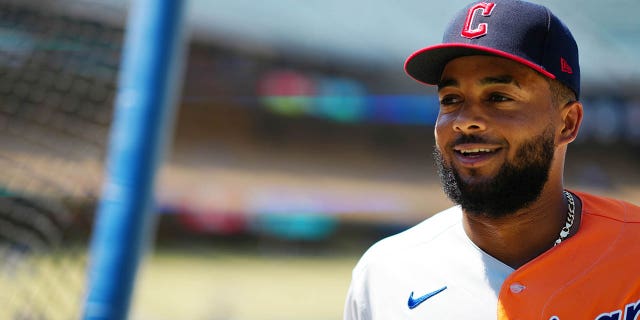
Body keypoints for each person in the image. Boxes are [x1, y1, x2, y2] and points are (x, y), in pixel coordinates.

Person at [343, 0, 640, 319]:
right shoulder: (384, 272)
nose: (465, 120)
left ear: (567, 123)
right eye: (451, 99)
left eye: (499, 97)